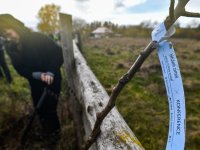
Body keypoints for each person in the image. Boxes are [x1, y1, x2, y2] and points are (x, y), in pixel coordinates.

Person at [0, 14, 63, 148]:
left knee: (50, 109)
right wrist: (37, 75)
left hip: (52, 80)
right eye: (3, 34)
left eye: (7, 32)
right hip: (35, 82)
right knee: (39, 108)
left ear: (15, 27)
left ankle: (55, 138)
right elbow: (19, 69)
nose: (7, 36)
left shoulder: (37, 38)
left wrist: (50, 72)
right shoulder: (10, 47)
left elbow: (58, 53)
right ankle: (45, 132)